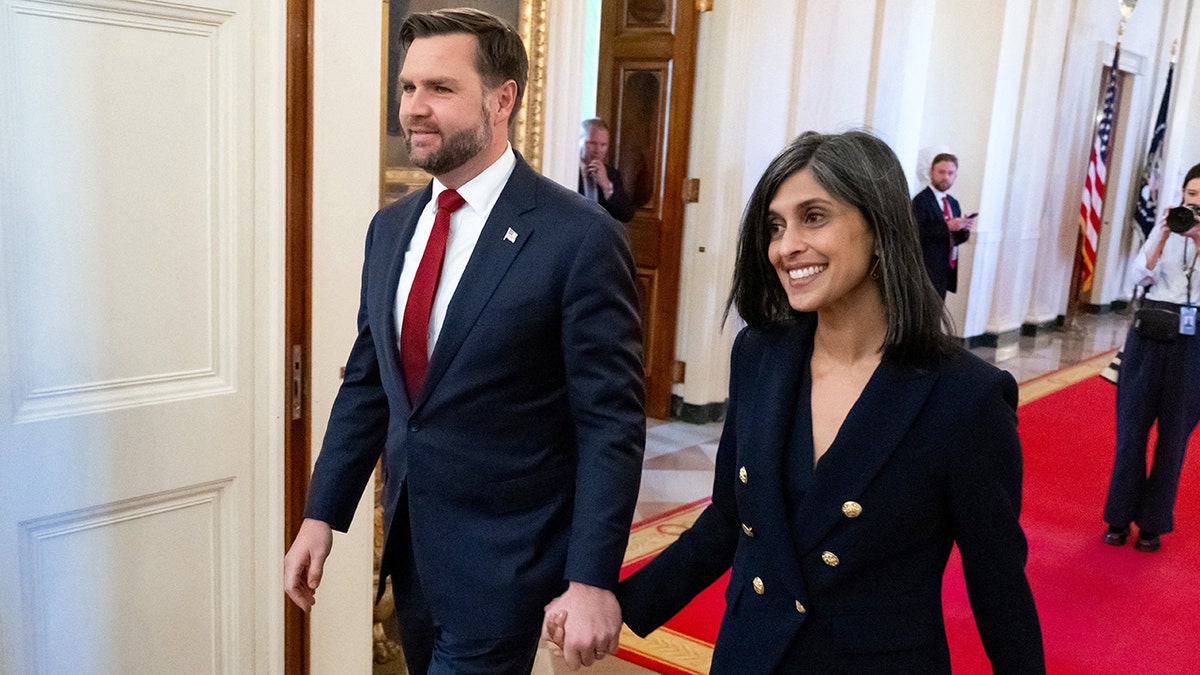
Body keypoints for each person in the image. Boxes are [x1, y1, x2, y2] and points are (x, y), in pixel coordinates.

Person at [549, 131, 1045, 672]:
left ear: (879, 228)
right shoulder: (760, 355)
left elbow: (997, 583)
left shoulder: (965, 397)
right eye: (776, 226)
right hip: (750, 654)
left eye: (814, 217)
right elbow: (728, 519)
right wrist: (618, 603)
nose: (786, 247)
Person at [283, 9, 645, 674]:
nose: (414, 109)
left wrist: (592, 576)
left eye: (440, 89)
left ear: (501, 98)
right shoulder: (389, 230)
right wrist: (321, 514)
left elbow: (610, 423)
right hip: (414, 555)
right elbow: (369, 383)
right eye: (407, 88)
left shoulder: (579, 238)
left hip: (508, 562)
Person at [1103, 163, 1200, 553]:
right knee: (1130, 432)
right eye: (1192, 196)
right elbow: (1138, 277)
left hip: (1191, 346)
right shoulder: (1167, 226)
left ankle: (1152, 524)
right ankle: (1118, 516)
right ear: (1182, 194)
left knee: (1173, 438)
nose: (1196, 205)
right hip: (1148, 337)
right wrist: (1162, 236)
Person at [913, 153, 974, 299]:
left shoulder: (953, 202)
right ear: (931, 172)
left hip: (945, 271)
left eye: (950, 173)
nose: (946, 177)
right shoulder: (921, 201)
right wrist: (947, 227)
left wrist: (963, 230)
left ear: (955, 176)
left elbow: (953, 239)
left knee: (936, 317)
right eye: (941, 172)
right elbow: (916, 233)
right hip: (925, 272)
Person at [578, 118, 636, 223]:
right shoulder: (568, 170)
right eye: (592, 143)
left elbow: (626, 215)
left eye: (603, 145)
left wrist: (607, 187)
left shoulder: (612, 174)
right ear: (579, 142)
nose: (598, 150)